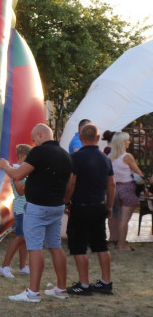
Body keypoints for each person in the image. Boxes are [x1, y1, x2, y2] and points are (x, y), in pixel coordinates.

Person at [0, 123, 73, 303]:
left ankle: (33, 292)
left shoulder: (38, 152)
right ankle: (61, 288)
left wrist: (5, 166)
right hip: (57, 206)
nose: (34, 142)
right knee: (55, 246)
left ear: (40, 134)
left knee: (35, 247)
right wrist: (65, 200)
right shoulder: (65, 155)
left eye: (34, 139)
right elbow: (70, 183)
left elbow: (17, 175)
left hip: (37, 207)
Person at [64, 123, 115, 295]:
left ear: (80, 137)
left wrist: (66, 201)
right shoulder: (105, 158)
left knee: (78, 246)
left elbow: (71, 182)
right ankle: (106, 282)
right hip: (99, 205)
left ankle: (84, 284)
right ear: (98, 138)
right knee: (101, 245)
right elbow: (112, 184)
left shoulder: (77, 158)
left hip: (81, 207)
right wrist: (109, 205)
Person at [0, 144, 32, 279]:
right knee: (19, 237)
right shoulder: (17, 171)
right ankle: (4, 266)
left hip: (25, 208)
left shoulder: (21, 171)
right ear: (22, 157)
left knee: (24, 239)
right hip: (20, 209)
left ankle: (23, 266)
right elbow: (20, 190)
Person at [109, 131, 146, 251]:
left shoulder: (110, 157)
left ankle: (122, 242)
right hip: (128, 188)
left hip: (116, 189)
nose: (129, 142)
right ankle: (122, 245)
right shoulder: (127, 156)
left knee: (121, 218)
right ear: (122, 142)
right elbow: (139, 172)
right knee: (125, 220)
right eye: (127, 140)